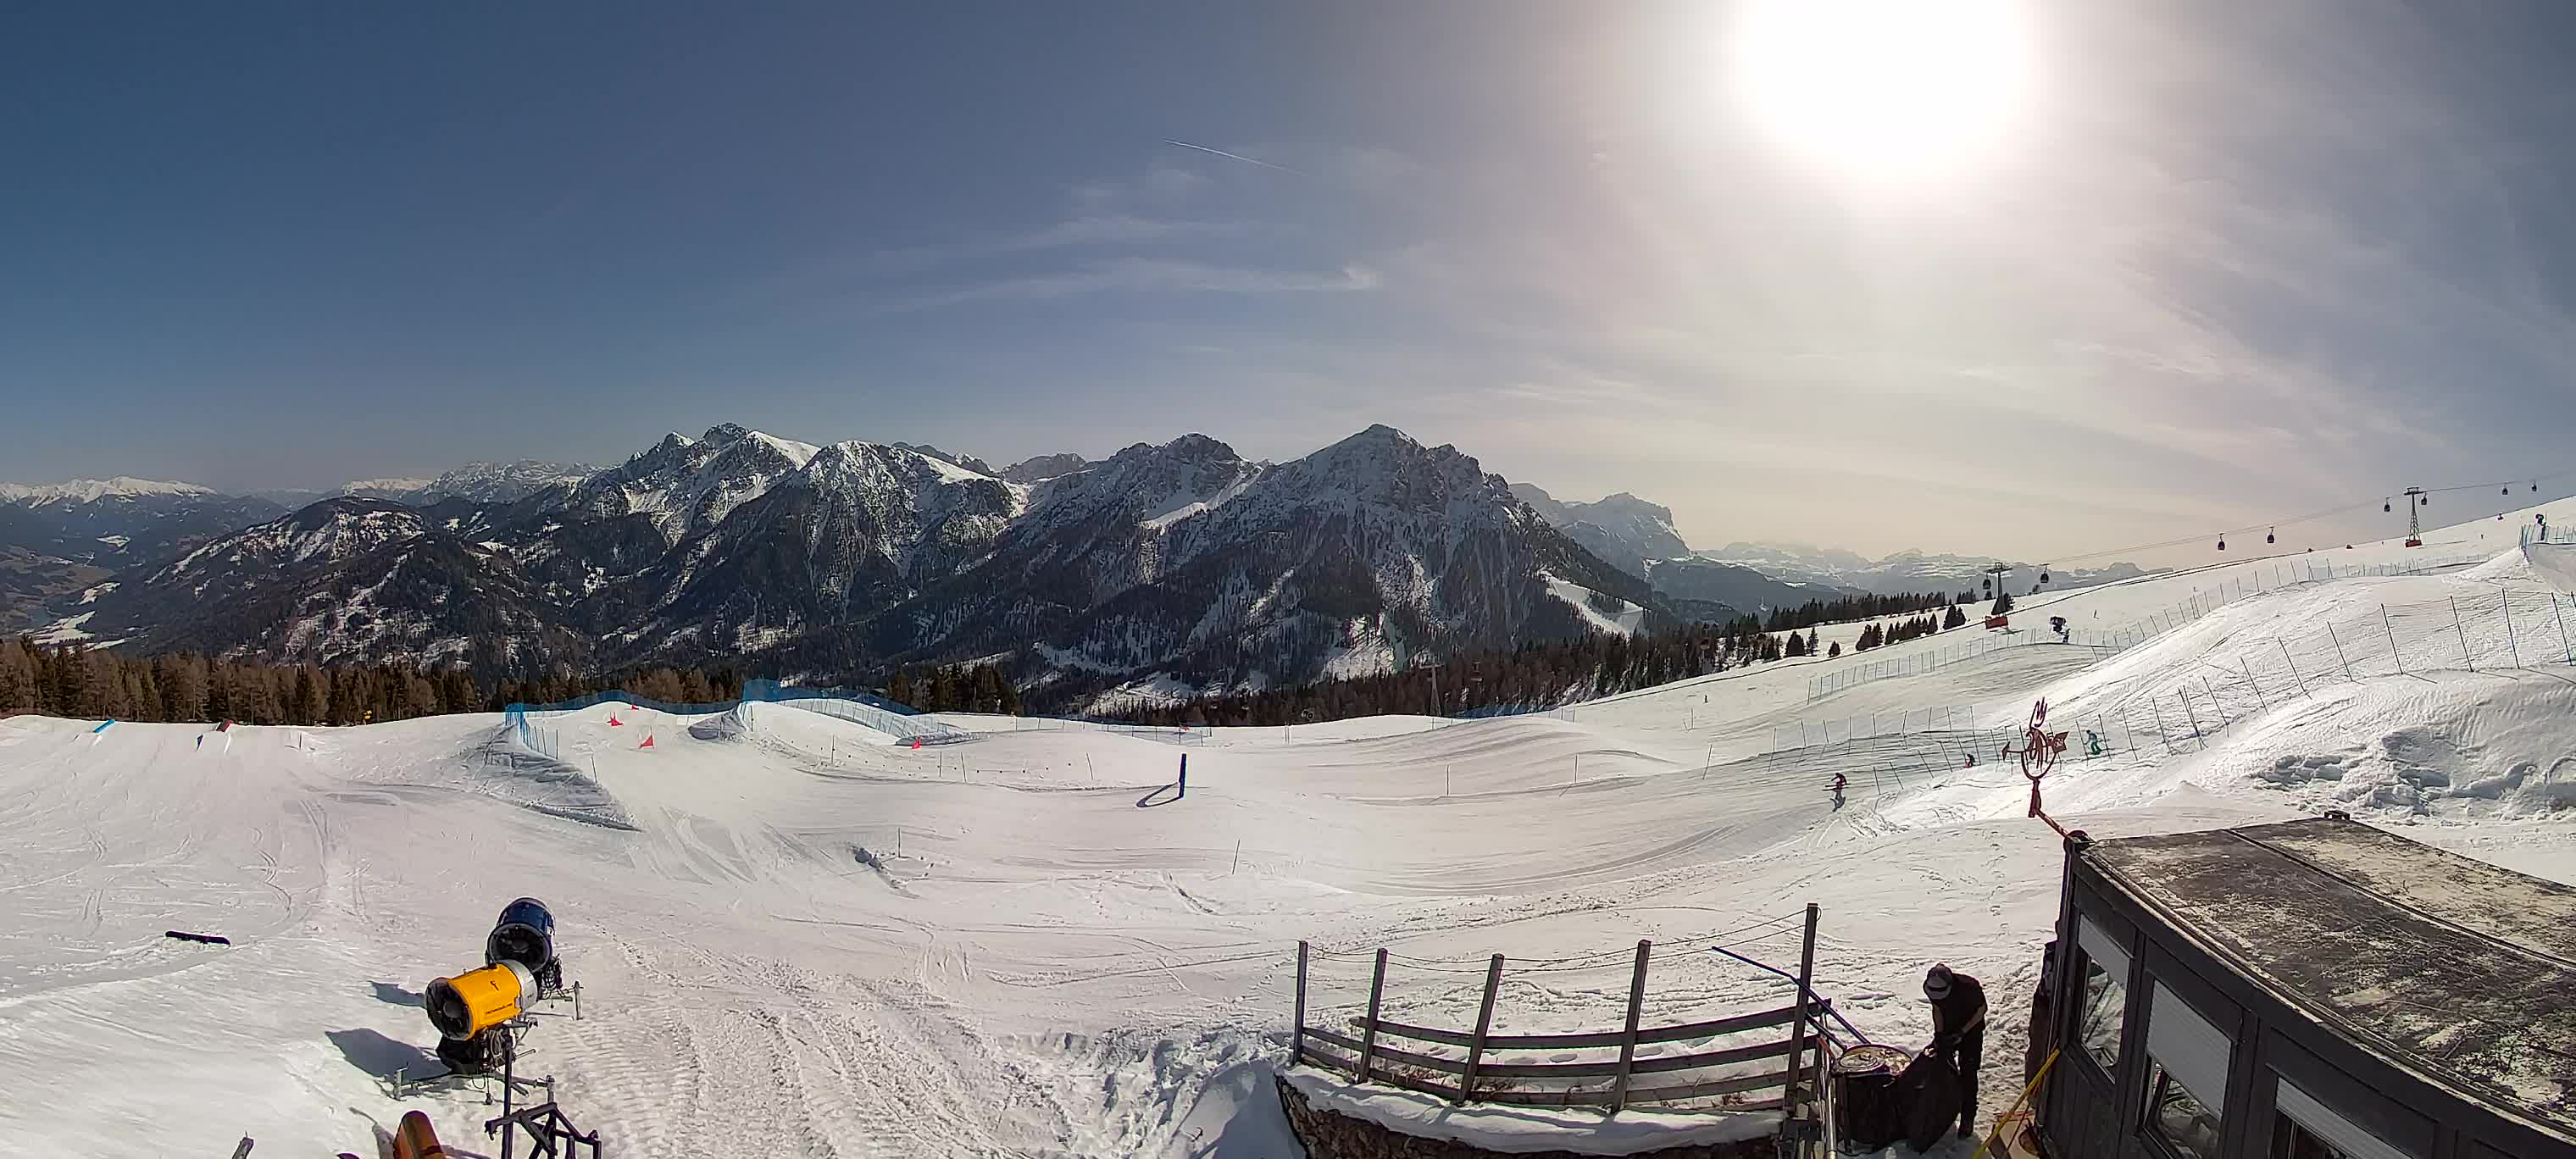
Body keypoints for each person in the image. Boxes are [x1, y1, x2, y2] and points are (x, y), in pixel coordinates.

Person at [1924, 963, 1989, 1139]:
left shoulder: (1969, 987)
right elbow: (1937, 1010)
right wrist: (1939, 1035)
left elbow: (1982, 1010)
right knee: (1940, 1066)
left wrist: (1962, 1032)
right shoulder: (1931, 987)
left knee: (1968, 1073)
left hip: (1971, 1031)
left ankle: (1968, 1117)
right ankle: (1943, 1109)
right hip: (1949, 1029)